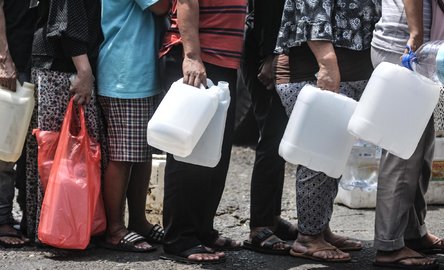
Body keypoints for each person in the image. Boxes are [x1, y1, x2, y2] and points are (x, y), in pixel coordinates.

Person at [274, 0, 380, 262]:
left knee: (333, 158)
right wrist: (327, 64)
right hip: (318, 73)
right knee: (318, 158)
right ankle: (307, 239)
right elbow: (312, 13)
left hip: (345, 73)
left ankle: (319, 228)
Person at [159, 0, 246, 264]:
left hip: (223, 62)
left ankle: (201, 230)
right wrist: (192, 56)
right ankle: (179, 238)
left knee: (213, 154)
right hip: (198, 60)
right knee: (189, 154)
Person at [24, 0, 106, 243]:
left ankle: (54, 225)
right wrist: (84, 71)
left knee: (54, 150)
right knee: (60, 151)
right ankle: (60, 227)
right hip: (63, 66)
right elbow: (67, 23)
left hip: (55, 63)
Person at [371, 0, 442, 269]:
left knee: (421, 148)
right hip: (405, 47)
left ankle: (413, 231)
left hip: (418, 48)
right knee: (402, 152)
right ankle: (389, 245)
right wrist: (416, 35)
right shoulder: (413, 40)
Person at [96, 0, 169, 252]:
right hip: (125, 74)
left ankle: (139, 221)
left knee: (141, 154)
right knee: (123, 156)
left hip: (138, 73)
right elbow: (162, 6)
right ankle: (115, 229)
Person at [240, 0, 294, 255]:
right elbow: (268, 10)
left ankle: (272, 217)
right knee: (272, 136)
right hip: (264, 50)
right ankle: (259, 225)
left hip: (278, 48)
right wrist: (269, 56)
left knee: (280, 137)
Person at [0, 0, 37, 247]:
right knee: (1, 152)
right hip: (8, 64)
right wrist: (4, 61)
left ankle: (29, 217)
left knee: (31, 151)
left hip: (36, 63)